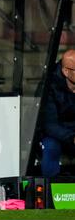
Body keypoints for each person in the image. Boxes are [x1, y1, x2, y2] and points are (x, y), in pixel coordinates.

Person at [40, 49, 75, 177]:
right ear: (66, 71)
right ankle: (52, 190)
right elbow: (49, 125)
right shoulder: (49, 86)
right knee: (51, 148)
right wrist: (72, 137)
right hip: (55, 134)